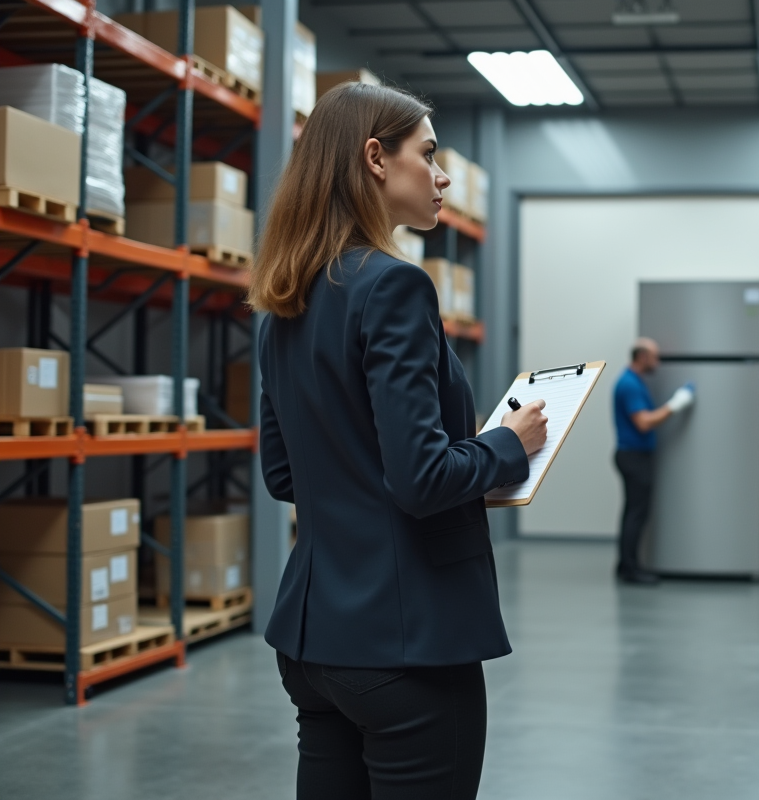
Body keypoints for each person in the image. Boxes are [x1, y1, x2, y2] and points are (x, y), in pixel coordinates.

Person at [248, 83, 550, 799]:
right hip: (405, 644)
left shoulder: (283, 303)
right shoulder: (394, 287)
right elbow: (419, 478)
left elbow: (285, 474)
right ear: (376, 159)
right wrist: (507, 445)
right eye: (429, 154)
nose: (442, 176)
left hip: (314, 643)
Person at [611, 338, 695, 585]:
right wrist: (675, 405)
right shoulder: (630, 384)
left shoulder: (633, 380)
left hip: (633, 456)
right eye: (655, 357)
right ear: (642, 357)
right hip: (634, 457)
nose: (657, 362)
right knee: (636, 514)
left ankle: (625, 565)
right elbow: (644, 422)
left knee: (632, 513)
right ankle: (631, 570)